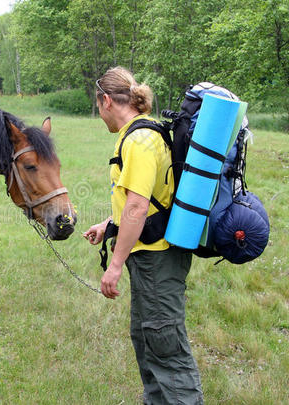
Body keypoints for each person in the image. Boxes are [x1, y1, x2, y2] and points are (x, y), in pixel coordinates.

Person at [83, 67, 203, 404]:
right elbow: (148, 199)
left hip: (157, 258)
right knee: (146, 337)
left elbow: (137, 206)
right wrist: (109, 225)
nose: (99, 114)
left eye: (98, 105)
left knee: (166, 347)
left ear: (106, 100)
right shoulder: (142, 133)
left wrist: (115, 264)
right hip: (152, 255)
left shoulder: (138, 140)